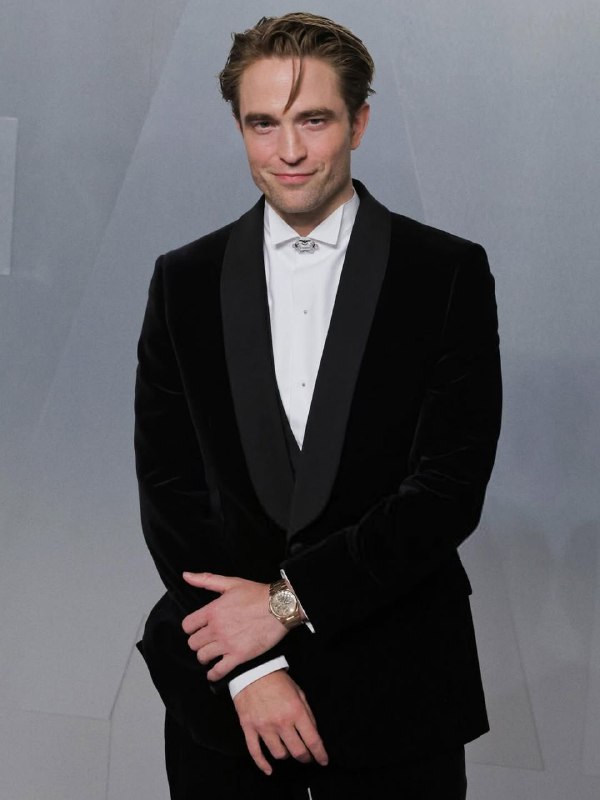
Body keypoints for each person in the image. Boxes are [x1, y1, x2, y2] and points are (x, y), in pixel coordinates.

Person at [134, 12, 502, 799]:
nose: (289, 151)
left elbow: (448, 488)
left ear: (359, 122)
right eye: (263, 124)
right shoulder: (183, 280)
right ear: (240, 127)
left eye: (314, 120)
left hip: (397, 685)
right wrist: (252, 669)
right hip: (227, 697)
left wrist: (286, 604)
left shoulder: (446, 273)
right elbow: (170, 490)